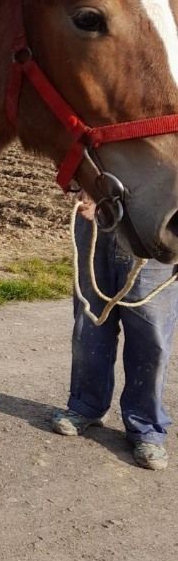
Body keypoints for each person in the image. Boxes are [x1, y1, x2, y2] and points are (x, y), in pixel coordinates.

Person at [51, 198, 178, 470]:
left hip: (157, 224)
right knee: (90, 325)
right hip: (98, 220)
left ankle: (146, 426)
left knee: (151, 337)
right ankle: (86, 405)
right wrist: (82, 182)